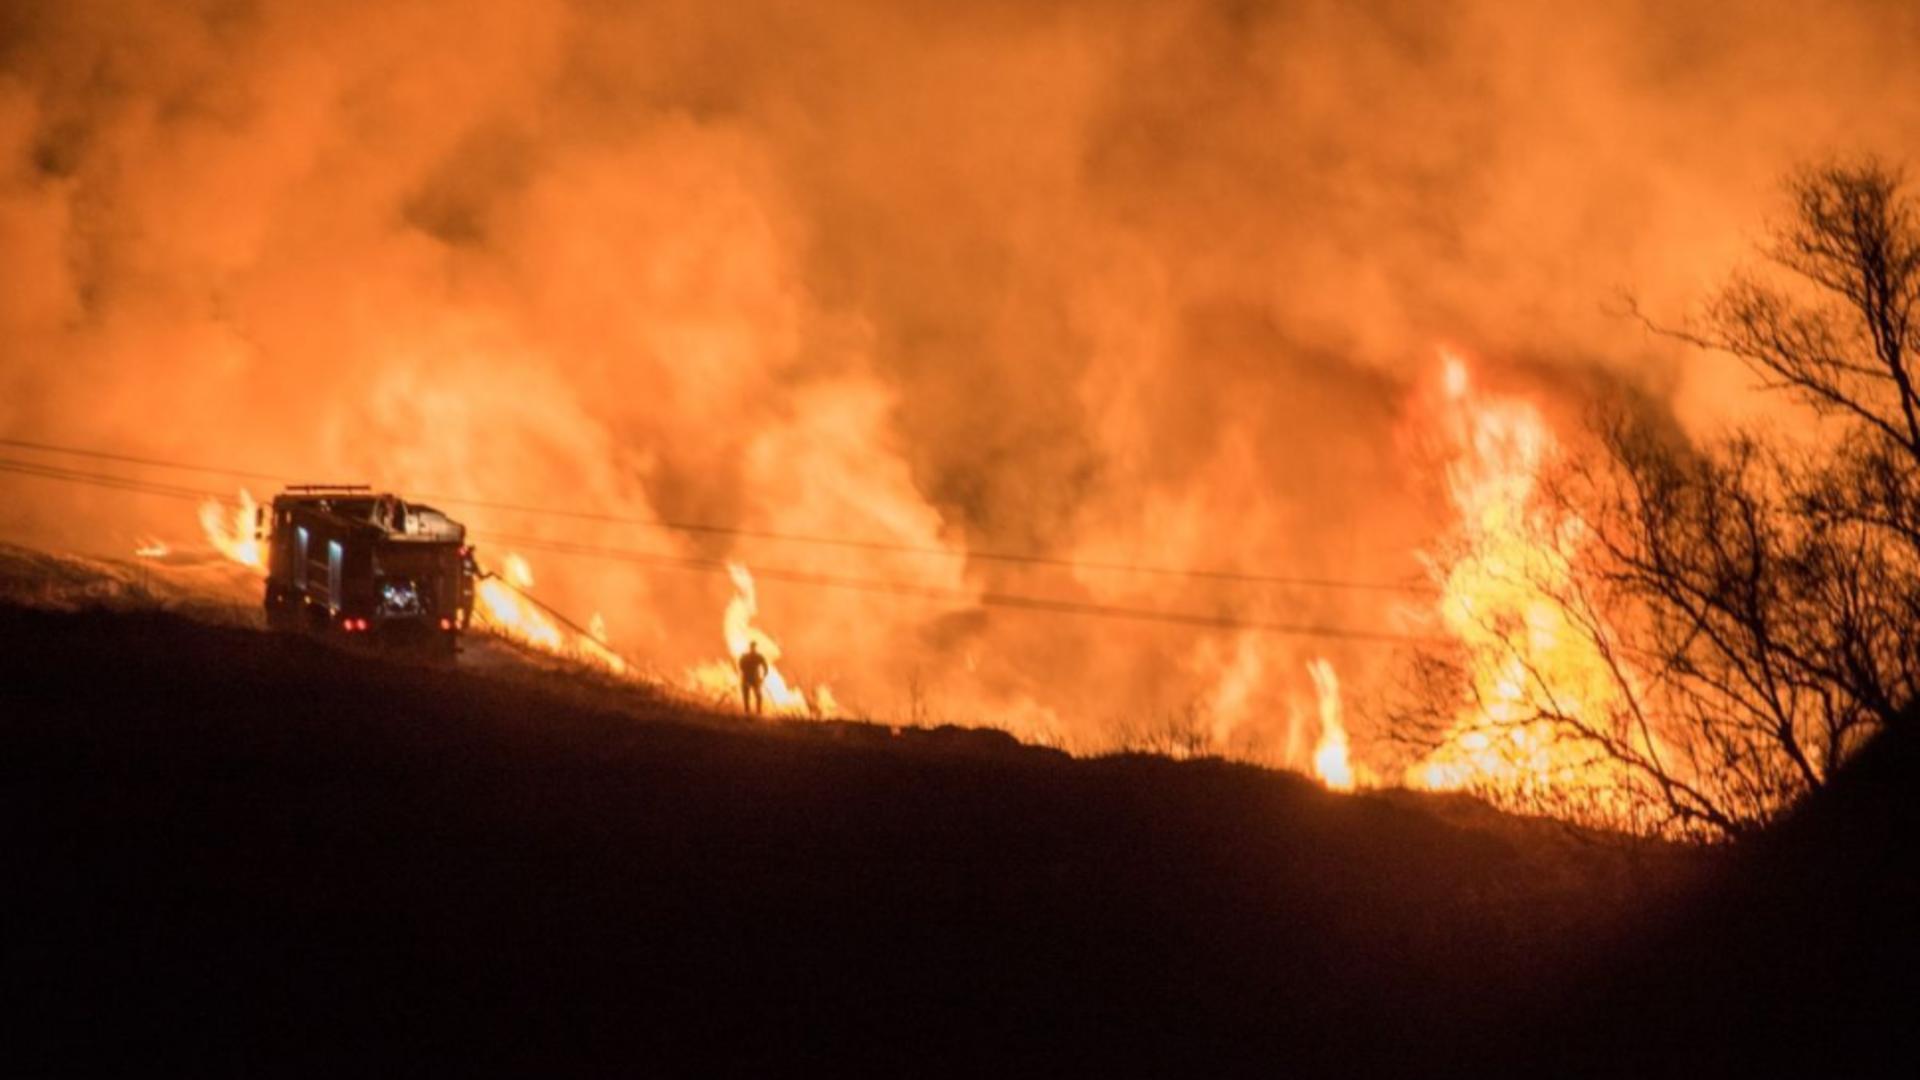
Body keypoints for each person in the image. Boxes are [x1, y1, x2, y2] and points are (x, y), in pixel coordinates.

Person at [738, 641, 769, 715]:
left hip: (752, 678)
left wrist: (763, 676)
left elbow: (765, 667)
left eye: (753, 647)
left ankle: (757, 711)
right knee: (747, 695)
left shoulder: (756, 656)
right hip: (750, 678)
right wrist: (764, 675)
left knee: (756, 696)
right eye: (752, 647)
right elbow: (740, 666)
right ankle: (748, 711)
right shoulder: (748, 657)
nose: (753, 648)